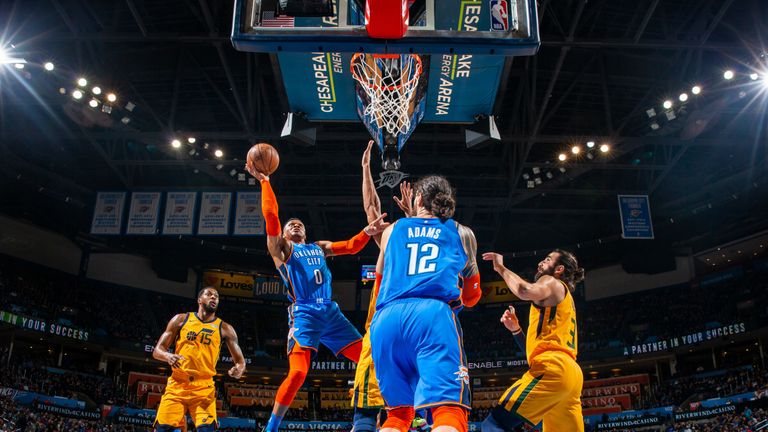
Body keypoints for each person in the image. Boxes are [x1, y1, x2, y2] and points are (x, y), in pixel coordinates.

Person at [246, 163, 389, 432]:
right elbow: (272, 217)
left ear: (306, 232)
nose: (296, 225)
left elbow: (351, 246)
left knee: (373, 359)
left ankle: (387, 410)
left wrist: (367, 232)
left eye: (299, 224)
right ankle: (272, 427)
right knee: (299, 373)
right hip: (305, 312)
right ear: (285, 234)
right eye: (291, 224)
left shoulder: (319, 247)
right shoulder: (282, 248)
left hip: (331, 313)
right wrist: (265, 181)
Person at [369, 175, 481, 432]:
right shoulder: (462, 233)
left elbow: (378, 285)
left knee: (398, 416)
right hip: (431, 316)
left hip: (386, 320)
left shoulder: (391, 231)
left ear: (418, 198)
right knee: (449, 412)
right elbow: (473, 297)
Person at [480, 250, 585, 432]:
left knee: (494, 424)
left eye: (547, 260)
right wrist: (517, 331)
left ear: (559, 269)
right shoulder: (566, 300)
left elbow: (523, 290)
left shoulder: (550, 281)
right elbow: (538, 350)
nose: (540, 263)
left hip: (553, 368)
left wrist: (501, 268)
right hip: (571, 376)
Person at [153, 287, 246, 432]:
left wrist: (239, 370)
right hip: (178, 384)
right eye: (209, 294)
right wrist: (168, 356)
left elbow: (240, 362)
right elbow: (157, 350)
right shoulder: (181, 319)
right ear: (199, 300)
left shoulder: (225, 328)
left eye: (216, 296)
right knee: (163, 429)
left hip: (204, 388)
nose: (214, 298)